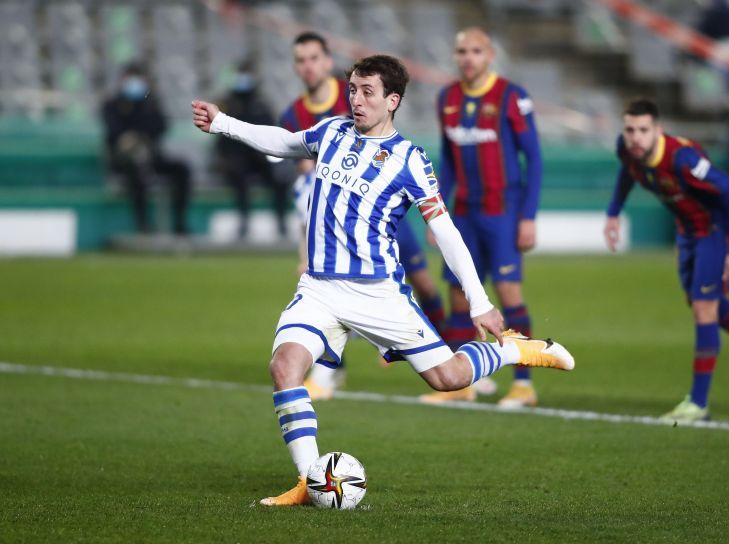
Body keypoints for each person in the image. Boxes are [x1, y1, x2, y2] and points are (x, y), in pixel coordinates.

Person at [191, 54, 574, 506]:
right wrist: (223, 123)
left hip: (378, 294)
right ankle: (309, 481)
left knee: (447, 377)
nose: (356, 99)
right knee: (284, 368)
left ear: (392, 101)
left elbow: (445, 232)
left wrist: (478, 302)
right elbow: (285, 141)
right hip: (319, 288)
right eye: (353, 89)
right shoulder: (332, 132)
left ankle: (516, 349)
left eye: (367, 92)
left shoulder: (410, 160)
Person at [604, 98, 729, 424]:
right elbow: (627, 174)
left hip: (714, 230)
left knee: (704, 308)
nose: (635, 137)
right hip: (687, 231)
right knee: (705, 302)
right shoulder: (627, 150)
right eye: (630, 130)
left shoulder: (681, 157)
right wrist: (613, 213)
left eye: (643, 130)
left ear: (657, 130)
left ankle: (698, 403)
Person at [285, 32, 446, 400]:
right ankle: (330, 372)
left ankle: (438, 348)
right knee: (332, 300)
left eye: (313, 58)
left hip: (382, 221)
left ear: (326, 61)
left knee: (423, 285)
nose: (307, 66)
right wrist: (303, 248)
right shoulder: (294, 114)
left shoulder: (363, 108)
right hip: (335, 224)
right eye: (300, 60)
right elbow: (305, 190)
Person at [422, 27, 544, 408]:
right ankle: (463, 383)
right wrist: (435, 216)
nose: (467, 58)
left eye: (475, 51)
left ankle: (523, 384)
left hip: (502, 213)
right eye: (461, 51)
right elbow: (448, 161)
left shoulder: (511, 96)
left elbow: (534, 159)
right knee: (459, 298)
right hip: (463, 215)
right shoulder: (448, 98)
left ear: (490, 54)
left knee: (509, 294)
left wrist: (527, 216)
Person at [102, 62, 191, 235]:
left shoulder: (151, 103)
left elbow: (161, 126)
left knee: (182, 169)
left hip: (152, 155)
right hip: (124, 160)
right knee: (137, 171)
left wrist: (139, 133)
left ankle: (180, 222)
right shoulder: (112, 104)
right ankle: (143, 225)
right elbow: (114, 132)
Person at [215, 61, 287, 240]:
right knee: (239, 179)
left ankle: (281, 223)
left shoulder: (260, 103)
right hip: (236, 158)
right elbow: (219, 136)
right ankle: (243, 222)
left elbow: (272, 130)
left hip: (259, 157)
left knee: (280, 180)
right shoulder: (227, 104)